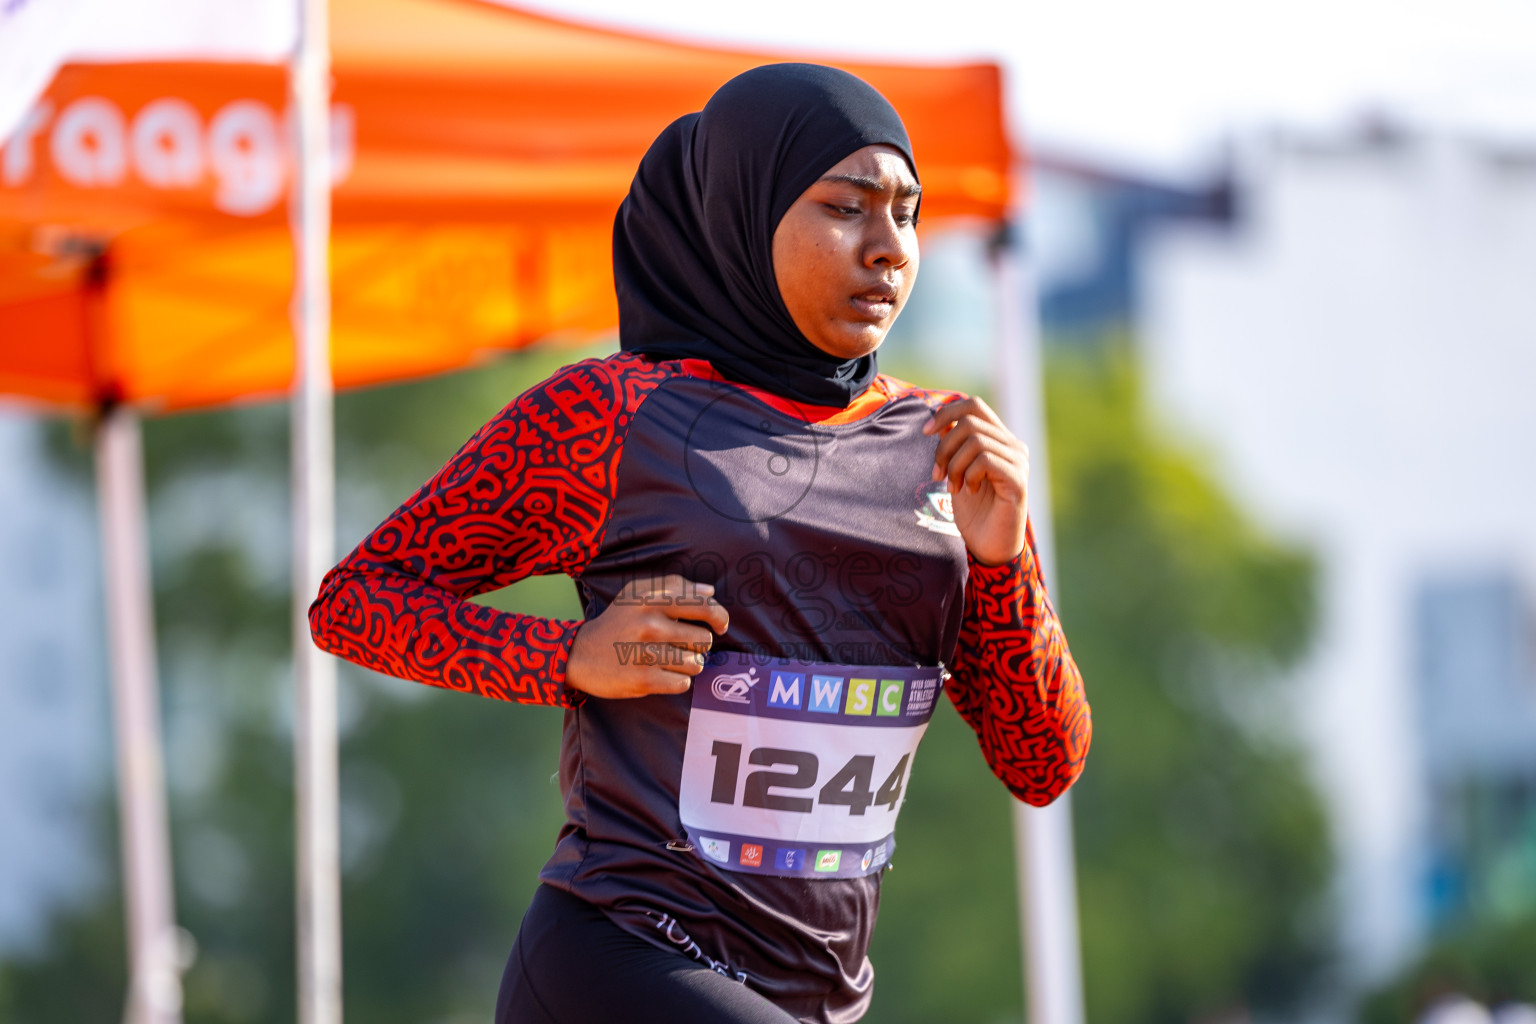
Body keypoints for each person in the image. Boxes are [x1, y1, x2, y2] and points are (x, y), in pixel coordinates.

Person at [309, 63, 1090, 1024]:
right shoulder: (610, 418)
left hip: (819, 1002)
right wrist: (567, 657)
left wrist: (1004, 562)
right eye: (846, 208)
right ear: (742, 215)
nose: (888, 248)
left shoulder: (943, 450)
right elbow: (357, 603)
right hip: (622, 959)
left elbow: (1042, 760)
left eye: (908, 214)